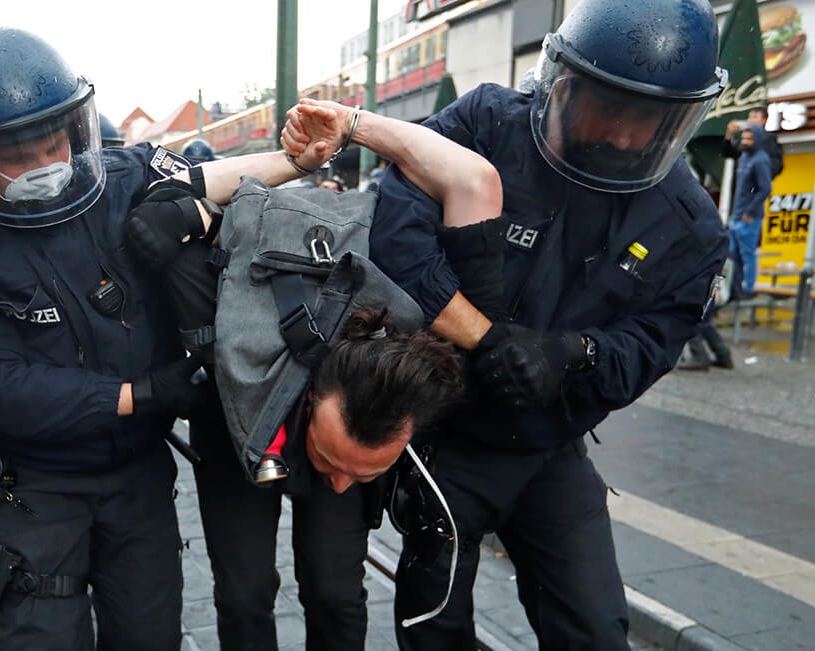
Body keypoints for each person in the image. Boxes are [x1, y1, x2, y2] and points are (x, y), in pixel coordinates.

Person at [0, 27, 338, 651]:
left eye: (55, 144)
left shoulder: (113, 179)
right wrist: (140, 394)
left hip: (136, 477)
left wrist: (298, 162)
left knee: (149, 630)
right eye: (18, 157)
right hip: (34, 486)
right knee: (45, 635)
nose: (47, 168)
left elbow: (208, 176)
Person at [367, 0, 730, 648]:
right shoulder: (487, 124)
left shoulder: (691, 226)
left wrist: (574, 352)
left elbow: (653, 342)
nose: (624, 137)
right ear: (563, 84)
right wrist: (482, 336)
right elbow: (396, 228)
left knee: (595, 626)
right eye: (609, 110)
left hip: (551, 443)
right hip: (450, 431)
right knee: (433, 621)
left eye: (646, 120)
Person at [133, 97, 503, 650]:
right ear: (313, 396)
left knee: (336, 592)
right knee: (245, 594)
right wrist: (206, 212)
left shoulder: (411, 330)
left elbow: (475, 179)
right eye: (333, 462)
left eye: (367, 472)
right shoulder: (219, 310)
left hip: (347, 377)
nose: (340, 482)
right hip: (236, 421)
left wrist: (355, 124)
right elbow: (158, 192)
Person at [728, 124, 772, 299]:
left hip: (748, 218)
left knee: (747, 255)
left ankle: (749, 289)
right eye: (744, 138)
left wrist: (749, 211)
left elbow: (765, 189)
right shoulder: (744, 156)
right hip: (736, 214)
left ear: (758, 140)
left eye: (750, 139)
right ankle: (736, 289)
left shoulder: (761, 160)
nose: (745, 141)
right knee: (733, 255)